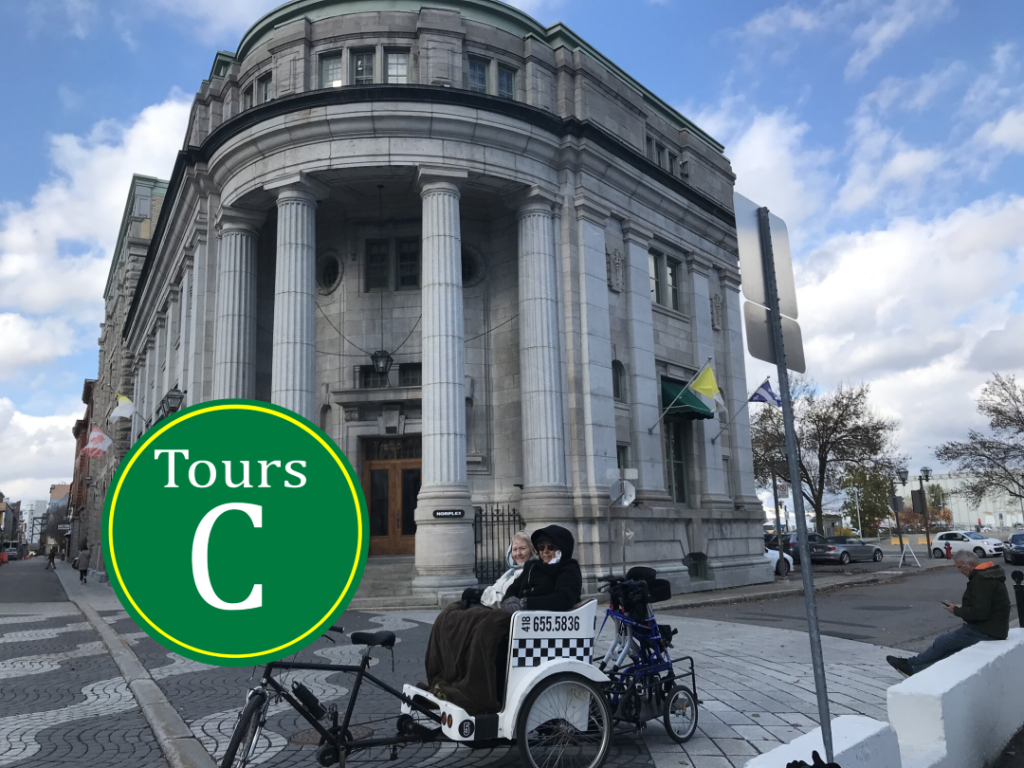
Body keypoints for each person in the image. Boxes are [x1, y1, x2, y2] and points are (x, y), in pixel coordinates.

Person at [424, 524, 582, 713]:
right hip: (516, 616)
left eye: (551, 547)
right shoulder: (532, 566)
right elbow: (511, 591)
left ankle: (476, 693)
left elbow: (563, 598)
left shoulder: (568, 568)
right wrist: (510, 602)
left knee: (487, 626)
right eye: (541, 547)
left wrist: (525, 604)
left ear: (562, 549)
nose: (545, 552)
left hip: (534, 622)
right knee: (452, 614)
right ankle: (447, 677)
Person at [886, 550, 1010, 677]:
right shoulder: (987, 576)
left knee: (943, 641)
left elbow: (980, 613)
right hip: (994, 629)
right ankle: (916, 670)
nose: (960, 571)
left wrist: (956, 610)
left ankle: (910, 663)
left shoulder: (981, 580)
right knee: (951, 651)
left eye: (960, 567)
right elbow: (985, 605)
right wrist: (962, 607)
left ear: (971, 565)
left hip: (986, 631)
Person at [460, 531, 535, 609]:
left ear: (531, 550)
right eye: (515, 549)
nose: (518, 553)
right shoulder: (511, 572)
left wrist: (479, 594)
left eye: (522, 548)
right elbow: (495, 589)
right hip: (492, 607)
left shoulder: (531, 572)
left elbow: (508, 601)